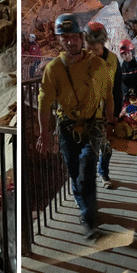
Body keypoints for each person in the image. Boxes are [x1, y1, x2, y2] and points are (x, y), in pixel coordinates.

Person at [36, 13, 115, 238]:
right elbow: (44, 103)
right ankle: (85, 206)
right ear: (59, 40)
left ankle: (89, 217)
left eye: (73, 37)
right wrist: (44, 133)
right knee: (73, 171)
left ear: (81, 38)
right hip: (66, 128)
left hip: (92, 126)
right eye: (65, 37)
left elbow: (109, 96)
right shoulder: (53, 70)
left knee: (87, 169)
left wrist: (110, 122)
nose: (70, 42)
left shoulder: (99, 65)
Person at [84, 22, 123, 189]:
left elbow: (117, 89)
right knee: (87, 150)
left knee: (106, 146)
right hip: (85, 114)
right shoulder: (81, 59)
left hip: (105, 112)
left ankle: (103, 172)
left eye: (95, 47)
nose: (92, 50)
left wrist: (114, 115)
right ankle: (87, 178)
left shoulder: (113, 60)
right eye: (89, 46)